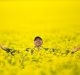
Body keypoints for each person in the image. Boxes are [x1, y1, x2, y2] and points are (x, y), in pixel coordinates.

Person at [0, 36, 80, 56]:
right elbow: (17, 52)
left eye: (39, 39)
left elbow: (61, 52)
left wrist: (74, 50)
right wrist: (4, 48)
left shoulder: (48, 50)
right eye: (36, 40)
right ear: (34, 42)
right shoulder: (29, 50)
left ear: (42, 42)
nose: (38, 40)